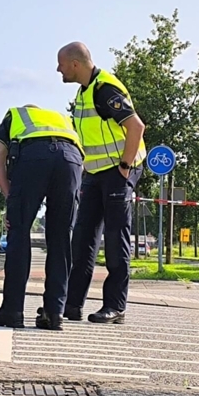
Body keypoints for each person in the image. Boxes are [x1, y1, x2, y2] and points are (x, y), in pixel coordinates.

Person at [57, 42, 146, 324]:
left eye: (60, 63)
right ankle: (71, 305)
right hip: (96, 173)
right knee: (82, 238)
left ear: (75, 64)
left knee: (116, 235)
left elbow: (136, 127)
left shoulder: (105, 90)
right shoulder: (84, 92)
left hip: (118, 171)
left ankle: (116, 306)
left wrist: (124, 167)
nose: (57, 69)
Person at [0, 105, 83, 330]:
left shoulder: (15, 115)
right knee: (61, 238)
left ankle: (13, 311)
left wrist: (11, 197)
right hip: (71, 161)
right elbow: (80, 161)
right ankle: (54, 312)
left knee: (18, 232)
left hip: (33, 157)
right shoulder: (63, 120)